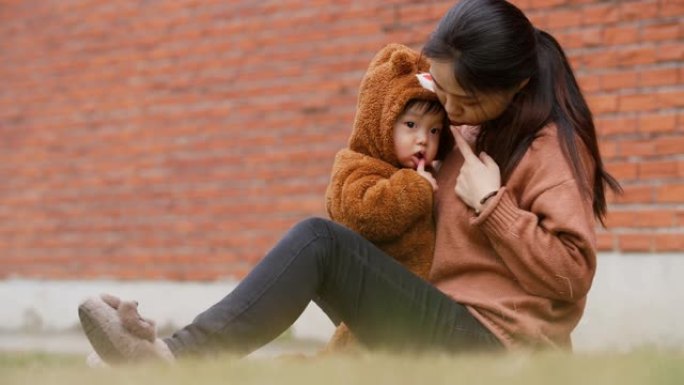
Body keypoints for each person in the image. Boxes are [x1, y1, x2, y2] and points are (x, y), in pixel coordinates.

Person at [78, 0, 621, 364]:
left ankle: (174, 359)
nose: (452, 110)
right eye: (444, 89)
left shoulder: (550, 147)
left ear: (517, 84)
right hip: (438, 312)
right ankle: (170, 354)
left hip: (496, 345)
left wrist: (494, 205)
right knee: (321, 244)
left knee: (319, 242)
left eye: (468, 99)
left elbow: (573, 276)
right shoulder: (457, 126)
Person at [323, 43, 454, 350]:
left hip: (417, 309)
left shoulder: (429, 175)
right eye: (410, 125)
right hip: (376, 307)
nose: (423, 139)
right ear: (381, 120)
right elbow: (365, 213)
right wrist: (414, 188)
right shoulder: (356, 165)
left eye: (434, 131)